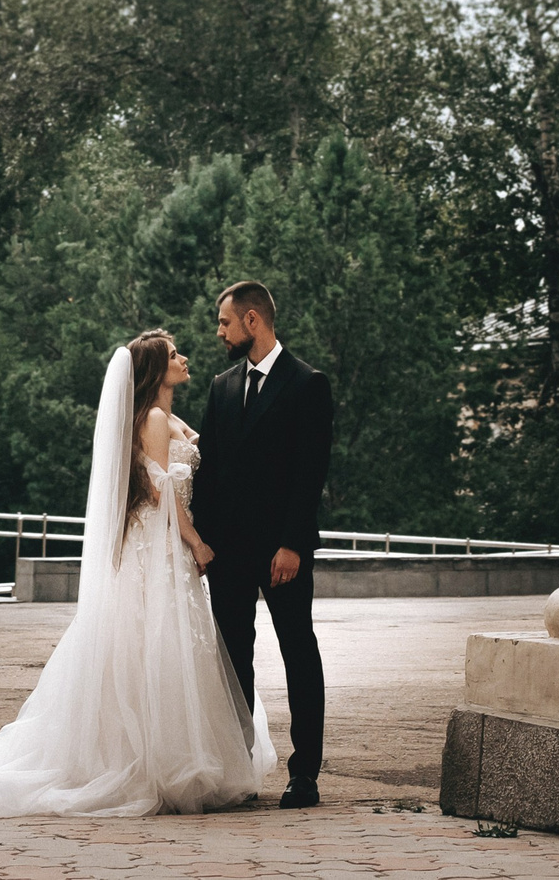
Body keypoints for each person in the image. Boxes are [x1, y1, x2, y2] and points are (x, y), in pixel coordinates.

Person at [0, 330, 275, 816]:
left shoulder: (164, 416)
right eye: (174, 354)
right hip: (160, 545)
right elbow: (163, 495)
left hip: (158, 547)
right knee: (159, 644)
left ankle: (163, 752)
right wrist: (197, 542)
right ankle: (157, 761)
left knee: (157, 645)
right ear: (156, 370)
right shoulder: (155, 418)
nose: (184, 358)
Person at [192, 280, 334, 808]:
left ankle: (305, 775)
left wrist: (293, 543)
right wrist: (202, 544)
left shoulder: (307, 383)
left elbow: (309, 472)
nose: (220, 331)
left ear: (253, 321)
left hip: (282, 552)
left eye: (225, 322)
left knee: (299, 652)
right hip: (228, 552)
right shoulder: (221, 386)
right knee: (234, 661)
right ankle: (240, 772)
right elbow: (208, 473)